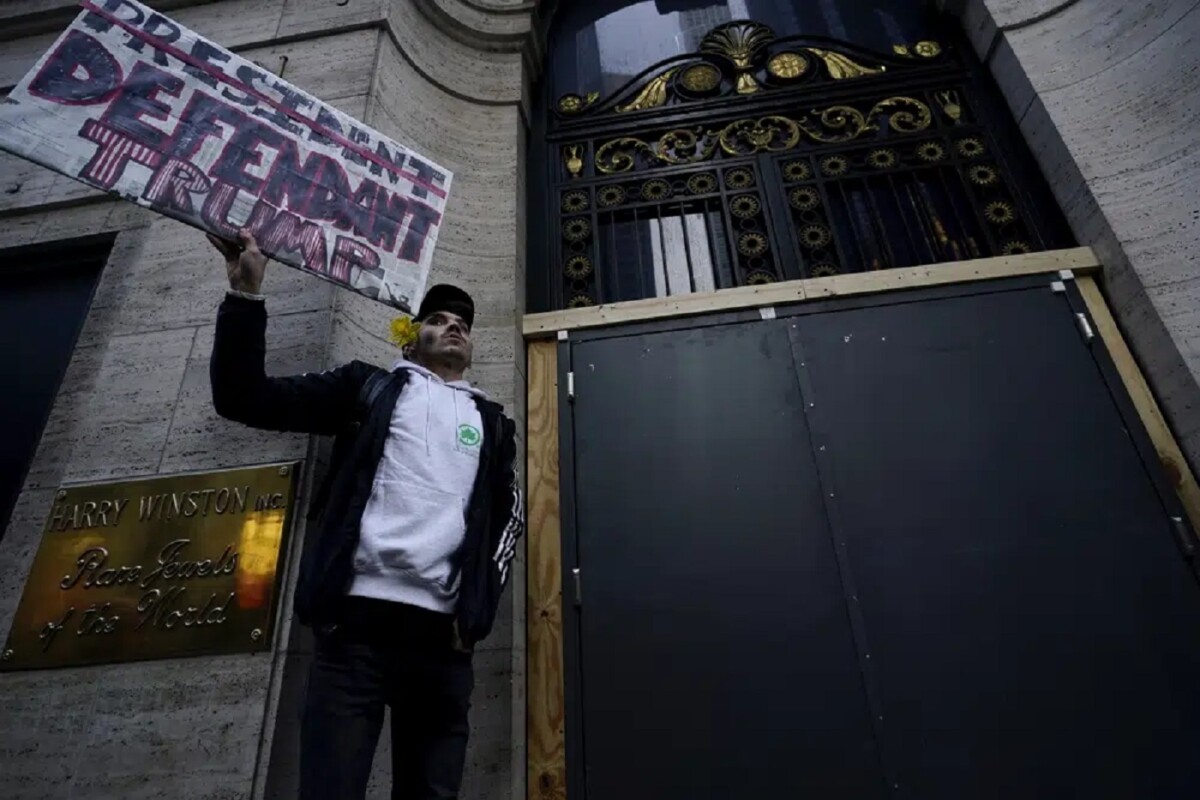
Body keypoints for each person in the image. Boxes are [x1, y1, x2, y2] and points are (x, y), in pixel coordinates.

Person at [207, 230, 523, 800]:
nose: (455, 326)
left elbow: (508, 521)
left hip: (442, 643)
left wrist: (475, 611)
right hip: (354, 633)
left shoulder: (494, 425)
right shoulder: (369, 389)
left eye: (464, 323)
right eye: (439, 318)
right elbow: (243, 397)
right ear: (410, 340)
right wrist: (246, 295)